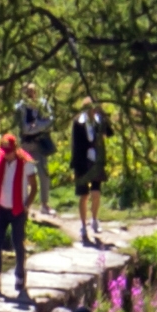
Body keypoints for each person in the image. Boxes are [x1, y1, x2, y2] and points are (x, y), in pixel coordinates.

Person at [0, 122, 41, 302]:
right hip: (0, 208)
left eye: (8, 151)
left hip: (17, 210)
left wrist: (26, 205)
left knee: (18, 244)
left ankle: (20, 277)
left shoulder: (26, 165)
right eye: (3, 151)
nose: (6, 155)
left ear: (15, 149)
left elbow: (34, 188)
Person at [66, 97, 115, 249]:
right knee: (84, 195)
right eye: (90, 109)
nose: (92, 111)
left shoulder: (99, 121)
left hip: (96, 161)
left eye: (94, 109)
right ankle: (82, 224)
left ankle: (94, 219)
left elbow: (110, 133)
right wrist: (77, 165)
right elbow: (75, 145)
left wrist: (104, 117)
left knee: (96, 193)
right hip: (82, 162)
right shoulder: (78, 123)